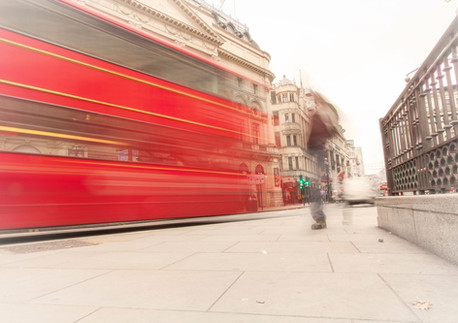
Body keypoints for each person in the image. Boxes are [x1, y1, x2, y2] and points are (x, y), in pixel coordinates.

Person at [306, 91, 339, 230]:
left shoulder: (325, 113)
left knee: (315, 186)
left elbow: (331, 129)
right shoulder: (318, 114)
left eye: (315, 99)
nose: (313, 101)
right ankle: (319, 218)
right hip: (314, 151)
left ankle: (319, 219)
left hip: (318, 151)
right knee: (314, 187)